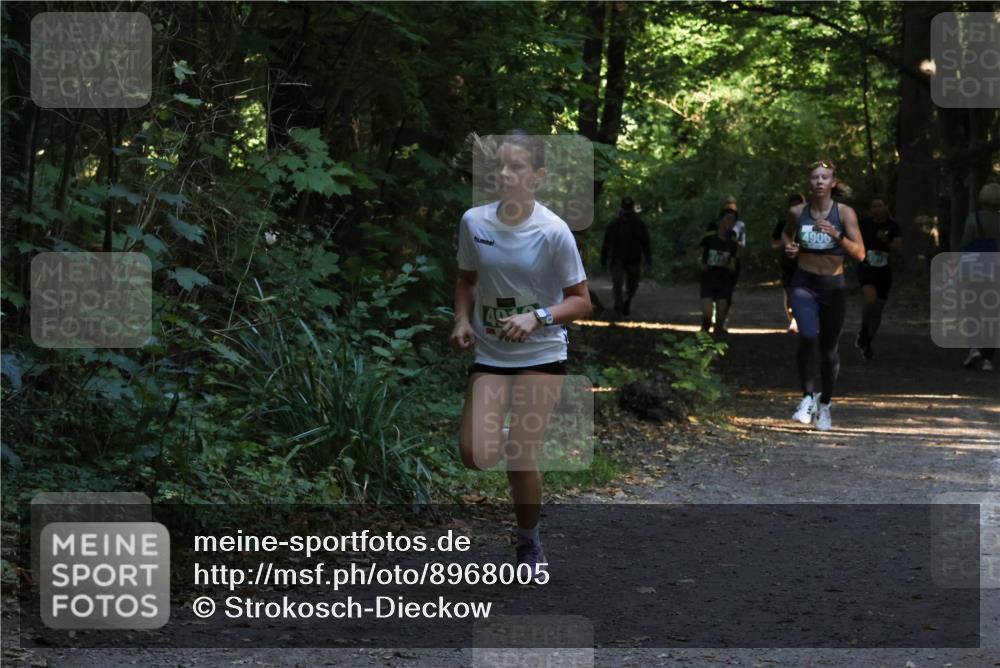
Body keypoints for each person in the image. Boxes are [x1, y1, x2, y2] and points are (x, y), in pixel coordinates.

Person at [450, 130, 592, 579]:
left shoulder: (553, 231)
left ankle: (529, 543)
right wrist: (460, 320)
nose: (505, 175)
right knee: (475, 454)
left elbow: (582, 300)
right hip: (492, 352)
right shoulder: (474, 221)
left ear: (537, 176)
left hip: (541, 352)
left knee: (520, 453)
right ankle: (505, 430)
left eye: (516, 167)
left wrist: (539, 317)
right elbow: (467, 280)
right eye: (500, 167)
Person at [781, 160, 865, 431]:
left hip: (833, 287)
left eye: (824, 177)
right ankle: (806, 397)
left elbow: (860, 253)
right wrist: (790, 248)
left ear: (833, 183)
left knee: (829, 350)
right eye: (815, 177)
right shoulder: (797, 212)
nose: (819, 181)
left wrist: (836, 235)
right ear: (810, 182)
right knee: (807, 336)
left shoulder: (845, 213)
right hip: (803, 283)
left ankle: (825, 402)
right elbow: (785, 235)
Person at [855, 195, 903, 360]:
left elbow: (898, 246)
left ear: (886, 207)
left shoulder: (893, 225)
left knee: (878, 311)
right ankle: (863, 328)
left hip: (883, 270)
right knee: (870, 299)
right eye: (873, 206)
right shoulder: (864, 224)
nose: (877, 209)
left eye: (879, 206)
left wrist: (887, 239)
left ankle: (867, 341)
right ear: (870, 210)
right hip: (867, 267)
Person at [960, 182, 1000, 372]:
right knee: (992, 313)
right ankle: (988, 357)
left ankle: (974, 348)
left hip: (974, 270)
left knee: (973, 309)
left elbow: (965, 243)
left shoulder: (973, 219)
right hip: (995, 271)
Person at [601, 197, 651, 316]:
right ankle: (619, 306)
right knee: (617, 283)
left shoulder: (639, 224)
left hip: (634, 259)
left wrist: (648, 261)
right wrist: (603, 260)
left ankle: (625, 302)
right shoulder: (613, 224)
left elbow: (646, 243)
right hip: (617, 259)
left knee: (632, 286)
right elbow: (606, 244)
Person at [699, 208, 740, 339]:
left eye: (733, 220)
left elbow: (733, 259)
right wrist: (701, 263)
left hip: (724, 280)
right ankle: (704, 335)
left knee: (720, 318)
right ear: (719, 221)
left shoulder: (733, 240)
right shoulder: (709, 237)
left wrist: (731, 266)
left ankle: (715, 346)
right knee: (707, 315)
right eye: (727, 218)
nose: (730, 222)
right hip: (709, 278)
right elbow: (696, 251)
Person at [772, 193, 806, 332]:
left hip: (806, 262)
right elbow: (774, 243)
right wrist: (786, 242)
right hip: (787, 262)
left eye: (799, 205)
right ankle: (793, 320)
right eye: (793, 205)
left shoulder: (810, 222)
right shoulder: (782, 223)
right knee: (790, 293)